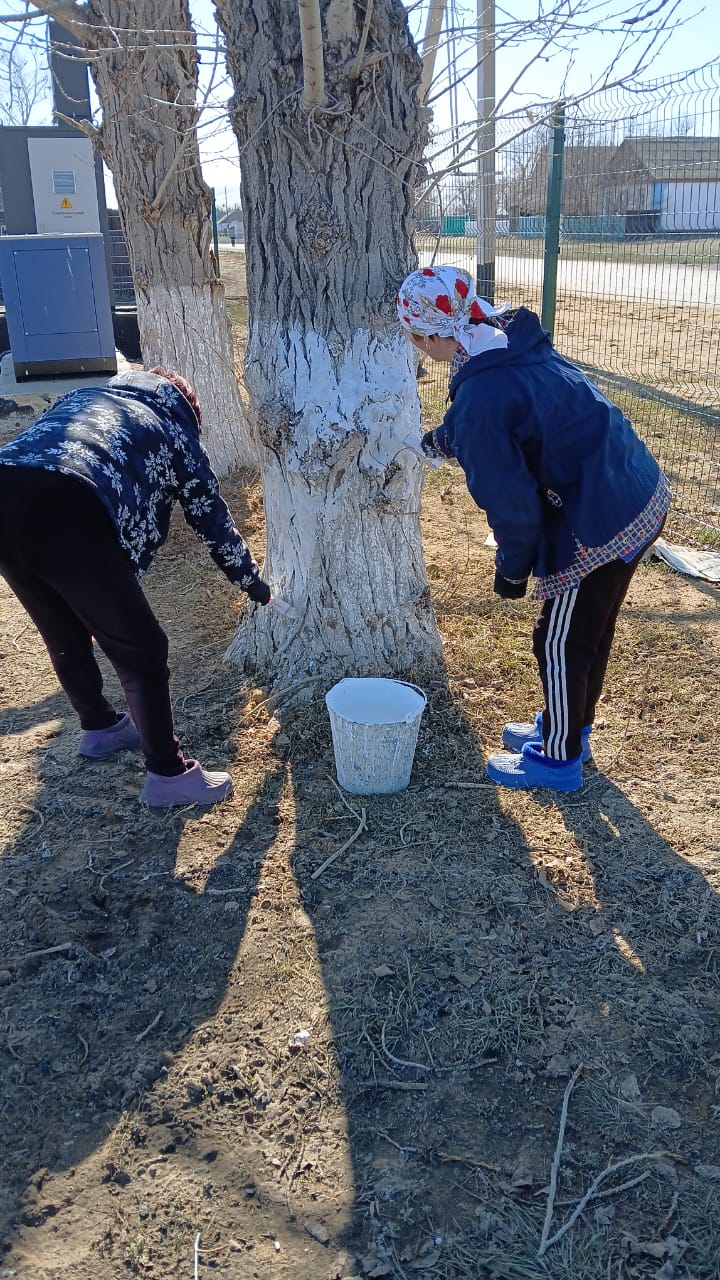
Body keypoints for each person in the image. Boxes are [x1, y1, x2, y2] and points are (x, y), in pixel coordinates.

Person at [397, 265, 671, 793]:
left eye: (415, 338)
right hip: (634, 488)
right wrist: (442, 439)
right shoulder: (504, 336)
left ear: (430, 337)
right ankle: (568, 727)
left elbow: (512, 504)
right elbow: (513, 412)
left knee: (559, 642)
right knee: (587, 630)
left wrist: (512, 571)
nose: (418, 348)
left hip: (600, 520)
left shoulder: (481, 396)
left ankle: (560, 759)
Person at [0, 366, 271, 808]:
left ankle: (100, 728)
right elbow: (209, 514)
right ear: (187, 407)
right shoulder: (171, 424)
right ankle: (169, 774)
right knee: (142, 649)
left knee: (63, 631)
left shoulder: (84, 397)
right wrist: (253, 582)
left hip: (7, 483)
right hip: (67, 501)